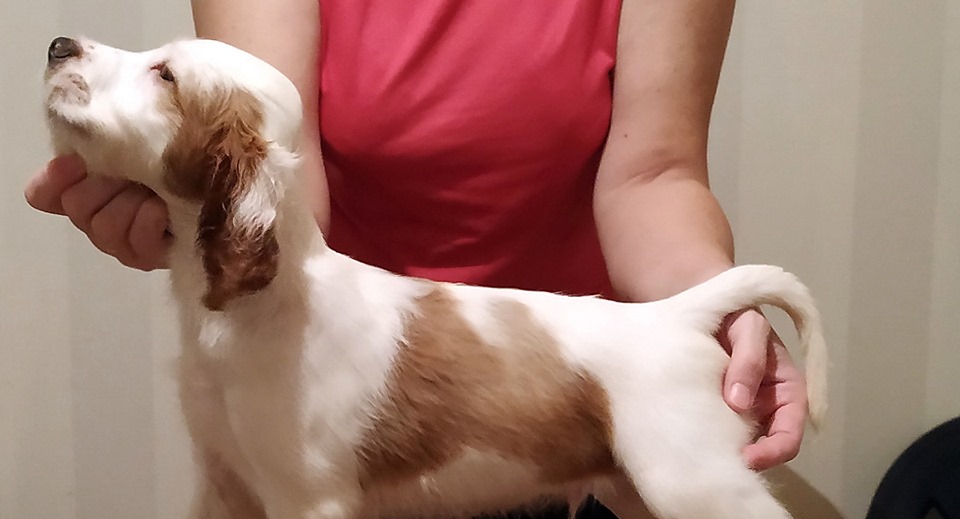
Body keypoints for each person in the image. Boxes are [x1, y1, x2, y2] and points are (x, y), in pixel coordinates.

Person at [25, 0, 807, 478]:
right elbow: (286, 186)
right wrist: (198, 221)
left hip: (558, 396)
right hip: (344, 405)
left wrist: (715, 303)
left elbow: (654, 175)